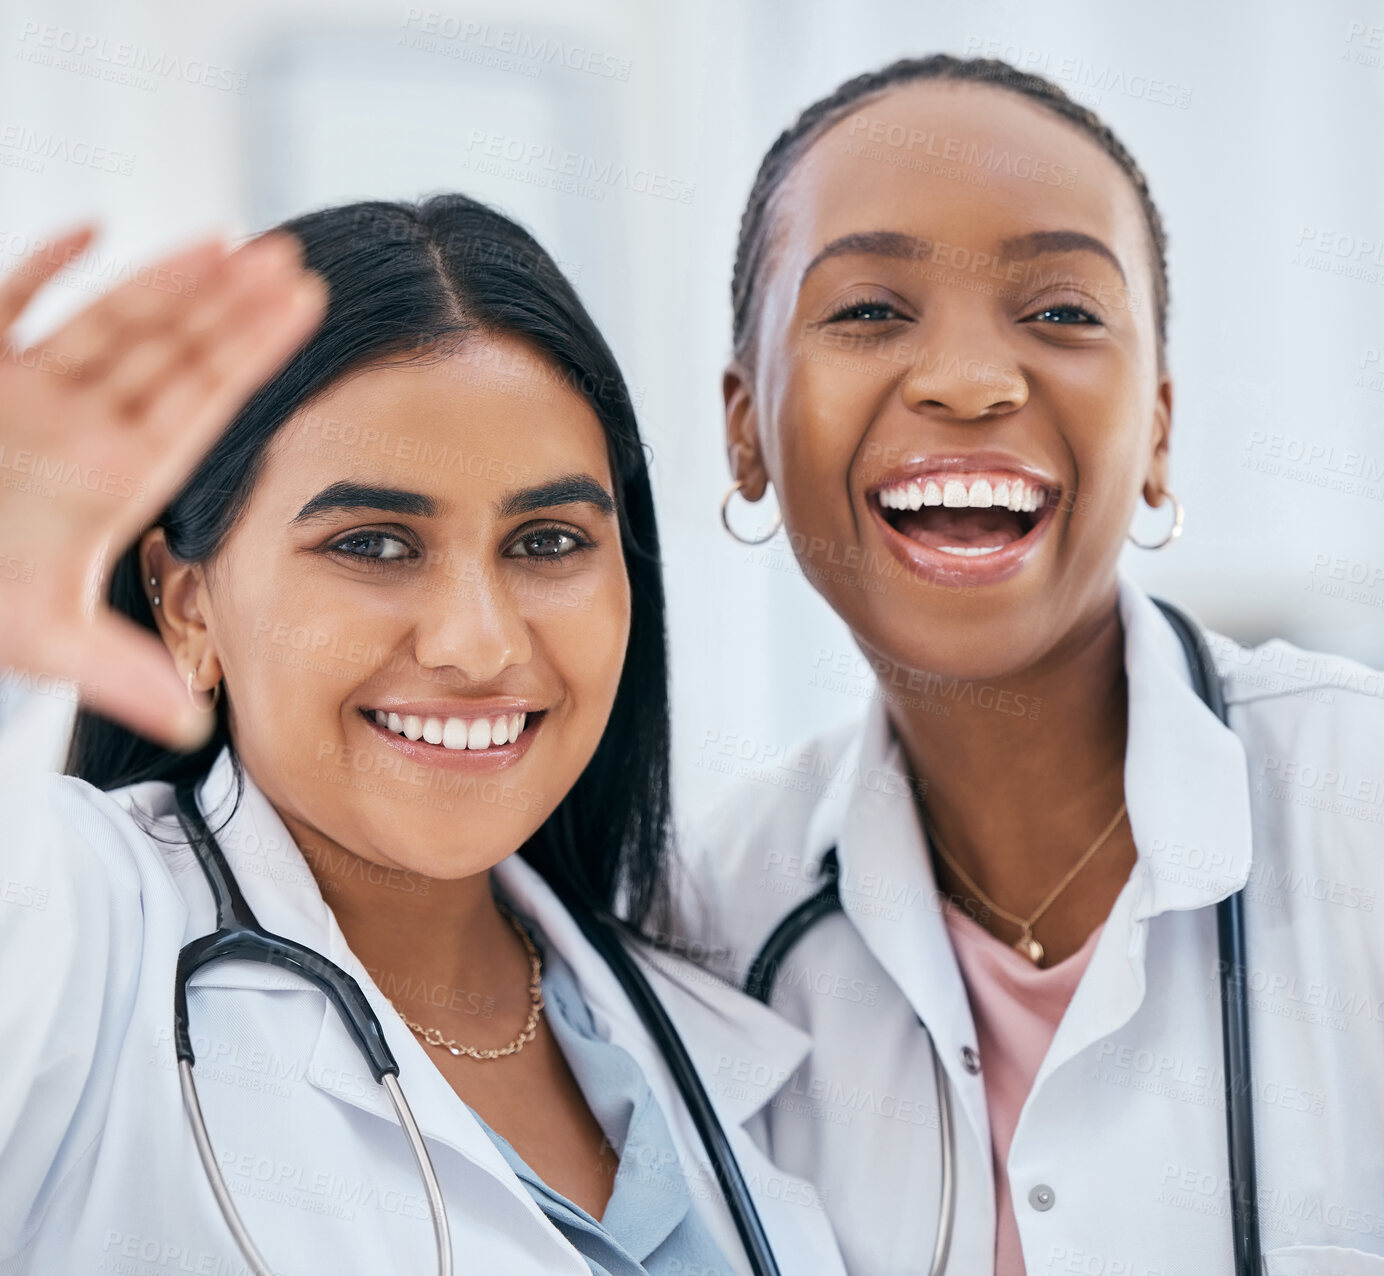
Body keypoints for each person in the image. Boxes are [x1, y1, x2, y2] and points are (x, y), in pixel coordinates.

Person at [675, 53, 1384, 1275]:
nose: (972, 381)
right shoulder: (708, 932)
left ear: (1155, 426)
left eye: (1062, 312)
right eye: (871, 310)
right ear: (745, 428)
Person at [0, 197, 842, 1276]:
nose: (478, 644)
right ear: (187, 602)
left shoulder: (700, 1025)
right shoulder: (84, 936)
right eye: (375, 542)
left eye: (546, 540)